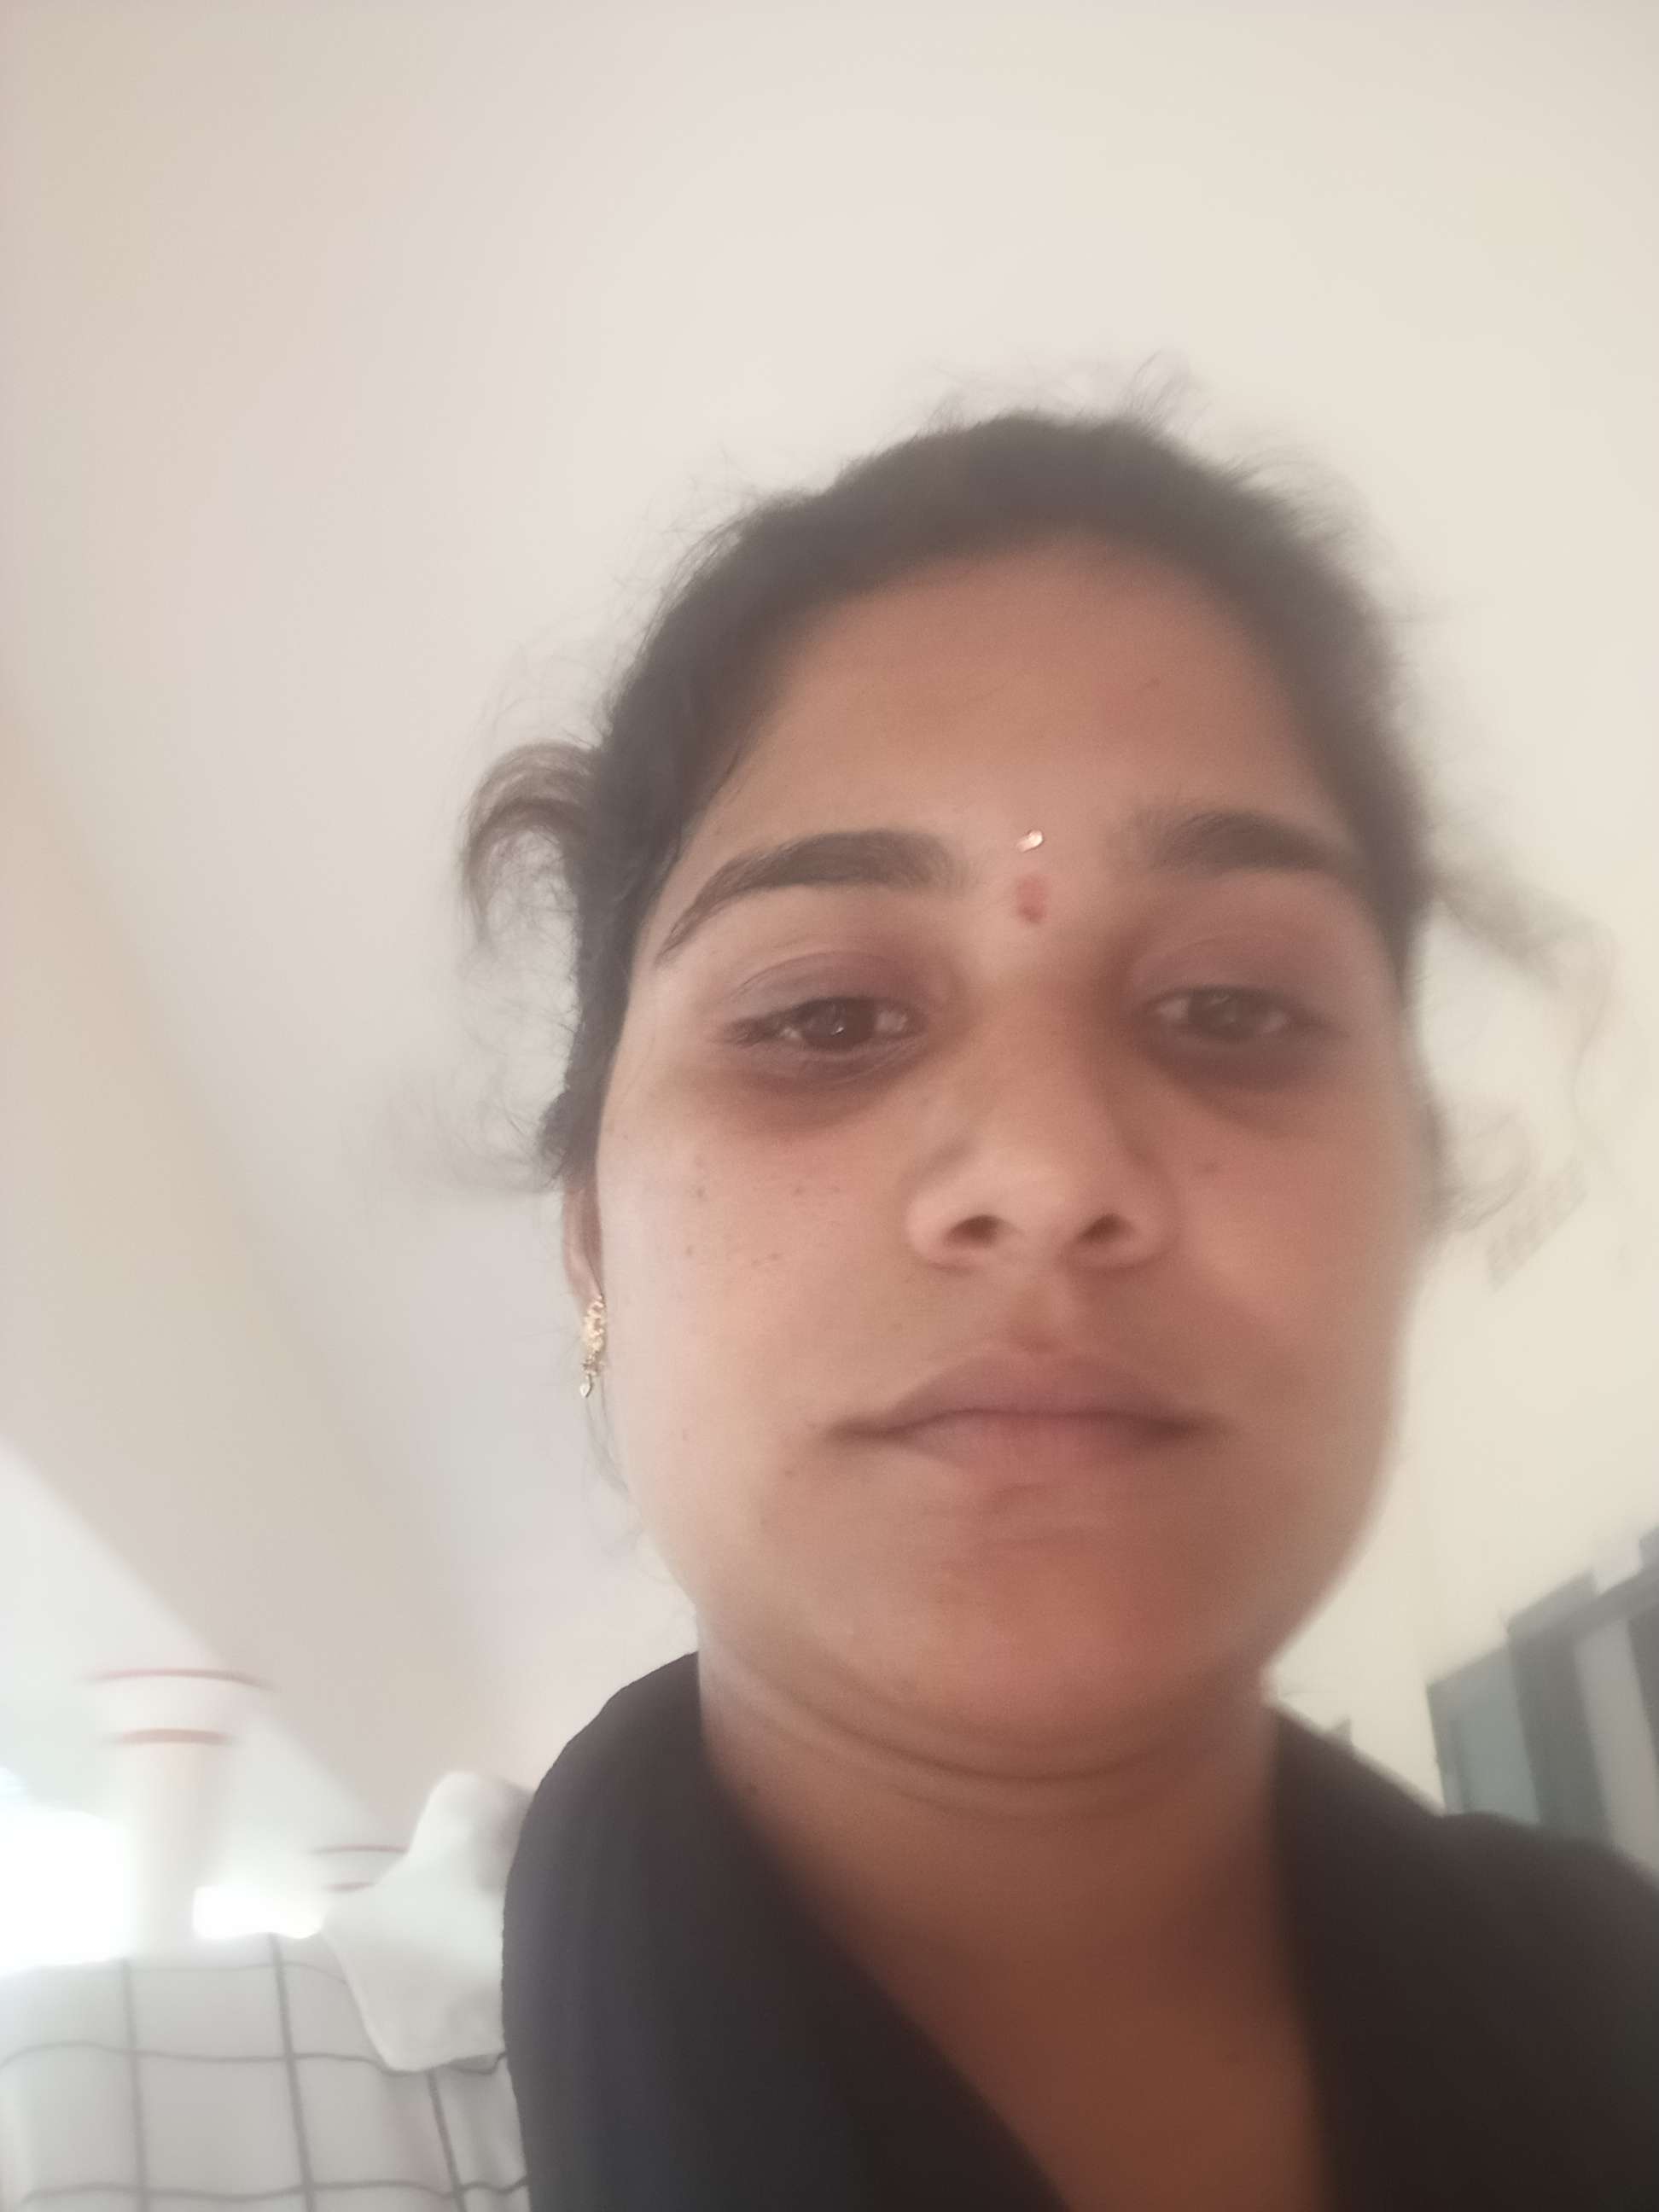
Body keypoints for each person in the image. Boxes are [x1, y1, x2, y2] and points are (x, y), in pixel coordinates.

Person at [5, 407, 1657, 2211]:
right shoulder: (82, 2139)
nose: (1046, 1167)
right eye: (824, 1019)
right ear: (590, 1246)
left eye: (1233, 1010)